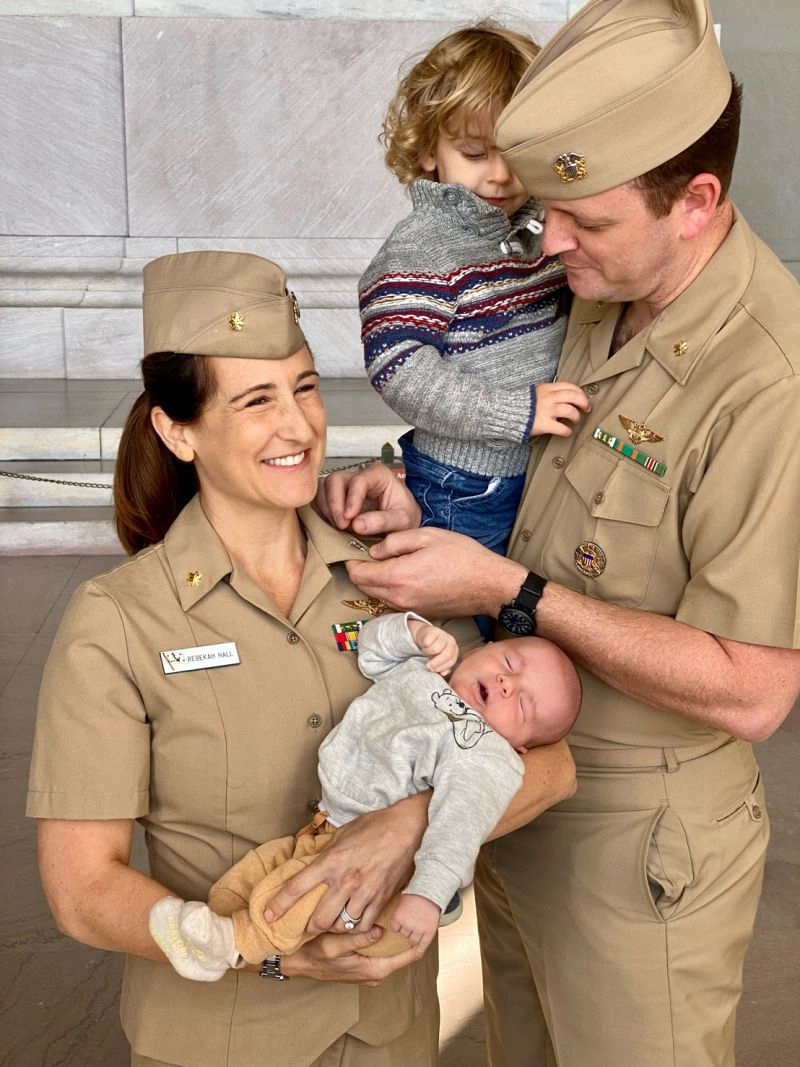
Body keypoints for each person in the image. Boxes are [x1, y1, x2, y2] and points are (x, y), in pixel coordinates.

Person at [293, 2, 800, 1065]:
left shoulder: (766, 384)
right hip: (510, 790)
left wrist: (507, 587)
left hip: (637, 849)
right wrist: (412, 491)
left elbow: (754, 689)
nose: (546, 237)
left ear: (695, 202)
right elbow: (535, 469)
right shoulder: (597, 282)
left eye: (586, 219)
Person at [26, 250, 577, 1067]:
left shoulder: (393, 568)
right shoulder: (117, 623)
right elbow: (81, 888)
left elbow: (549, 764)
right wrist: (259, 945)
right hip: (220, 1041)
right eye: (256, 400)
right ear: (177, 429)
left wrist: (406, 825)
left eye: (306, 387)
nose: (298, 426)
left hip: (389, 1029)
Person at [148, 612, 581, 979]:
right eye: (509, 661)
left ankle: (232, 946)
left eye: (523, 704)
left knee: (295, 896)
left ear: (519, 746)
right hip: (321, 824)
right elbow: (370, 647)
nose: (507, 684)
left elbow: (458, 831)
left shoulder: (483, 752)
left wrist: (428, 894)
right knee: (256, 871)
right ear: (483, 648)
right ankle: (206, 926)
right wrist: (416, 632)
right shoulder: (427, 669)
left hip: (359, 856)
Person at [360, 23, 589, 574]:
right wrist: (516, 411)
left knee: (525, 612)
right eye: (474, 153)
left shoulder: (541, 222)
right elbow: (400, 371)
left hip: (541, 465)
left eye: (517, 153)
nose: (501, 175)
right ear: (427, 151)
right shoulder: (419, 251)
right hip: (465, 484)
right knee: (465, 612)